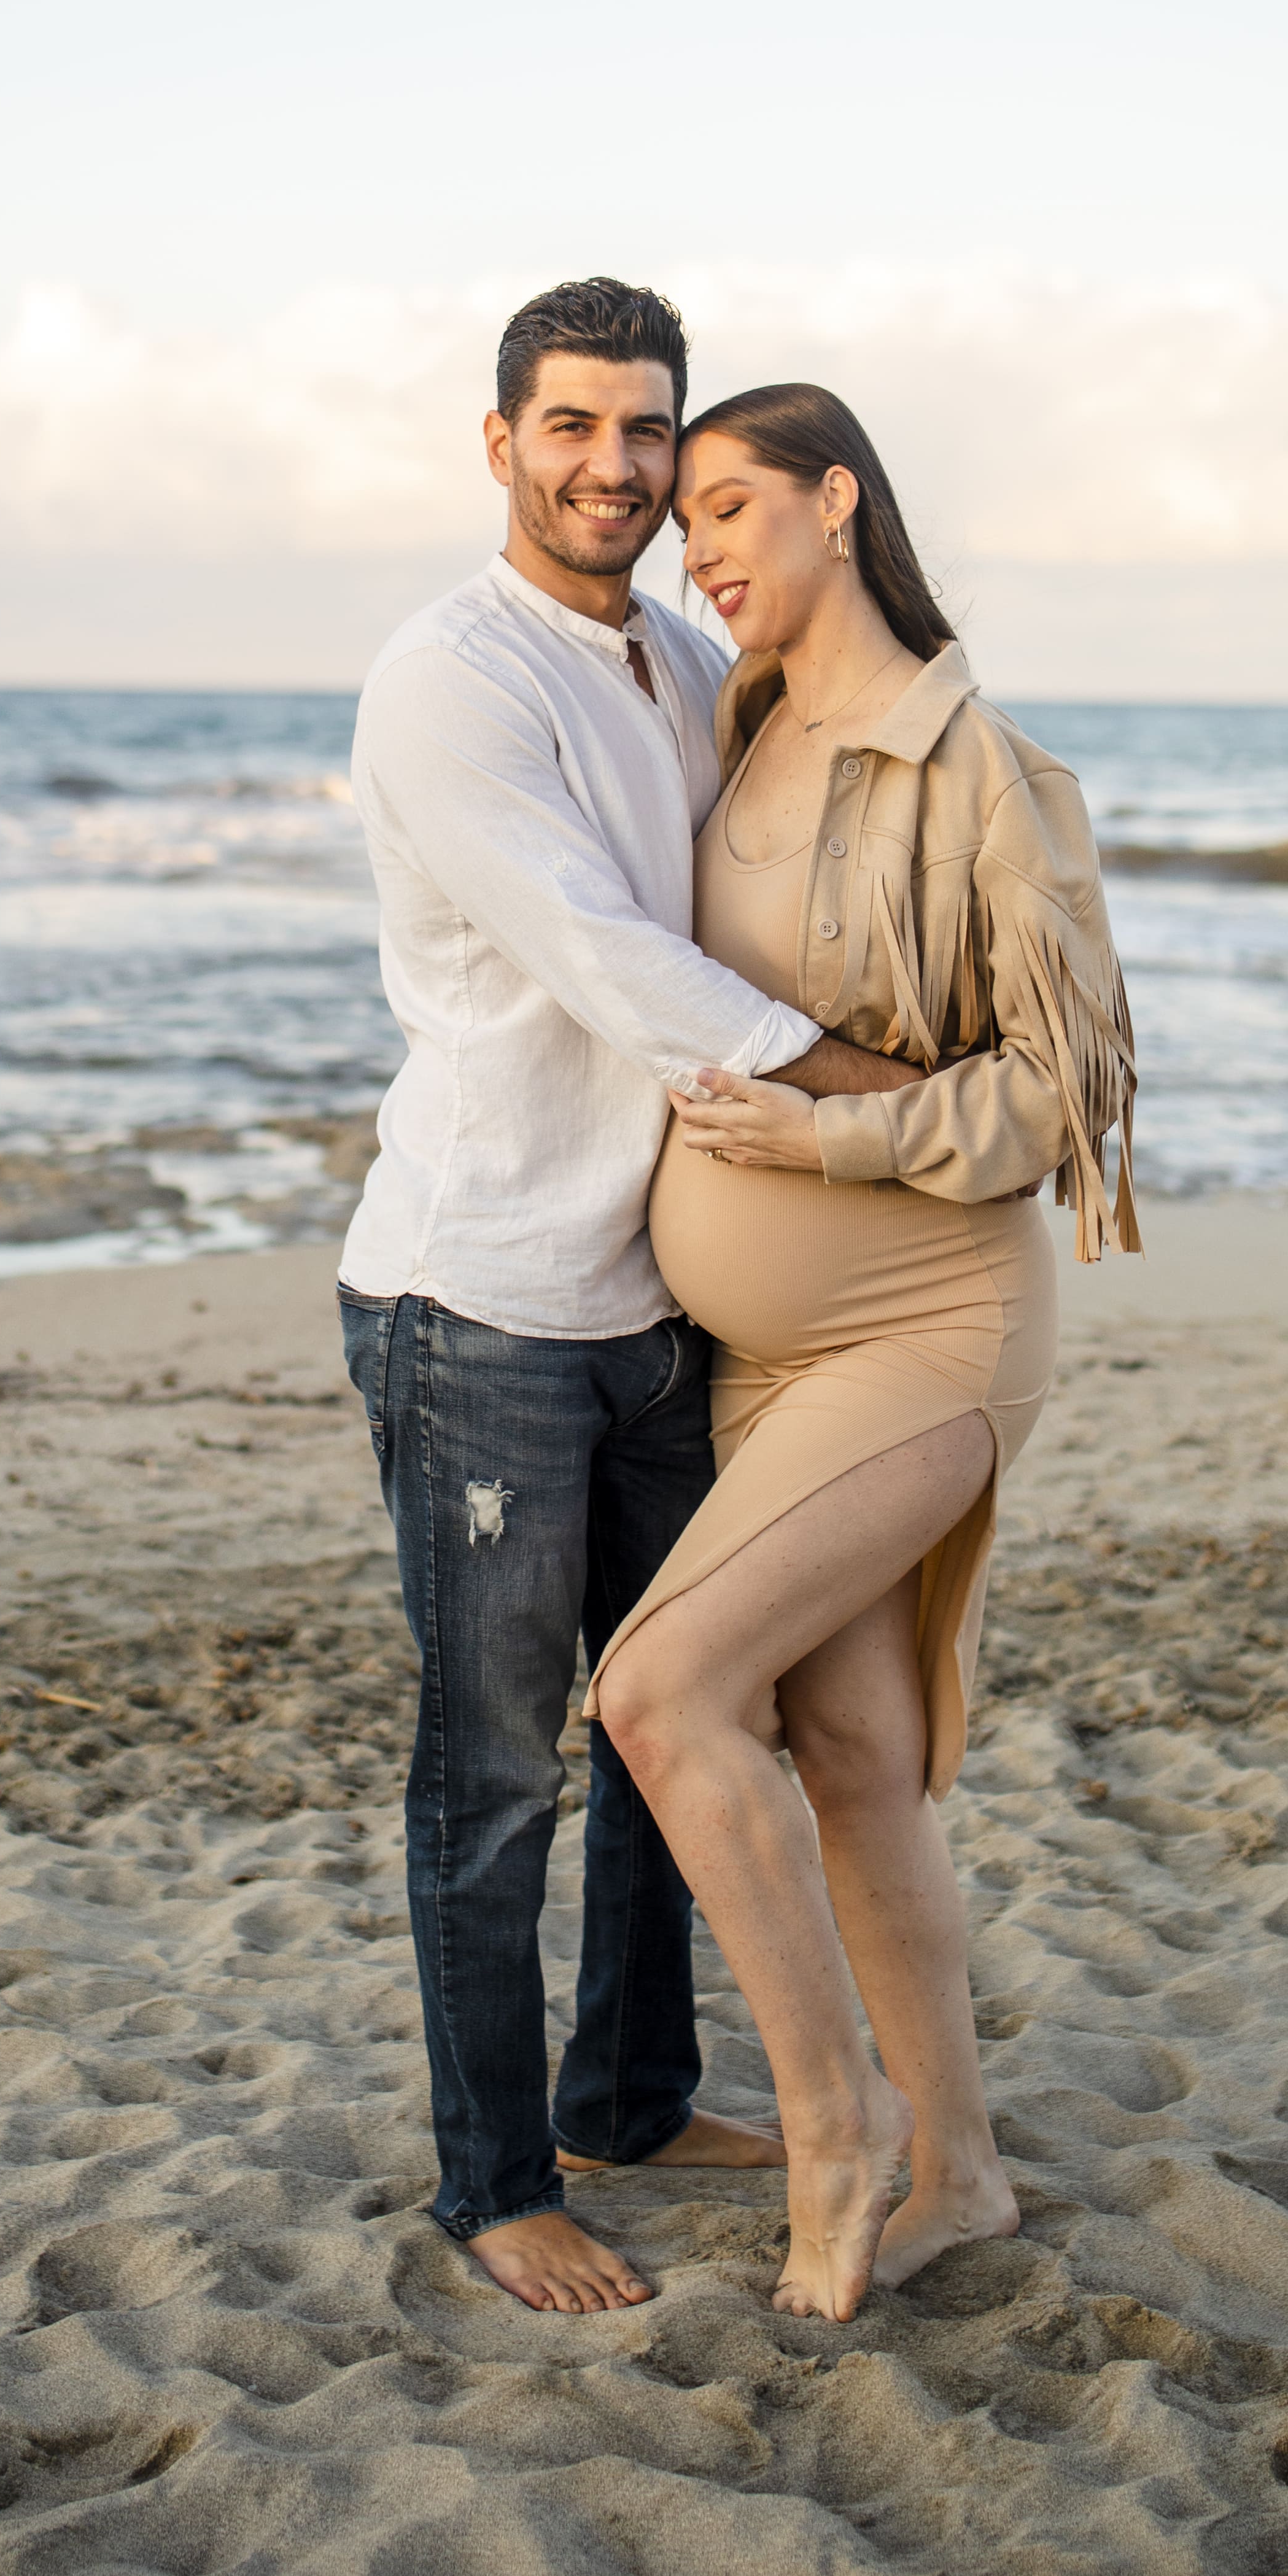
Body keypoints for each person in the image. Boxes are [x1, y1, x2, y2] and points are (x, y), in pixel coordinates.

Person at [338, 282, 929, 2316]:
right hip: (482, 1300)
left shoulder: (690, 657)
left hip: (658, 1299)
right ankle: (499, 2184)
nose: (615, 464)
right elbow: (612, 956)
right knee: (499, 1771)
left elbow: (789, 866)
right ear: (498, 441)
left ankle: (634, 2091)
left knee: (693, 1721)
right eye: (572, 424)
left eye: (647, 429)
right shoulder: (448, 681)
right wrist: (886, 1097)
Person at [586, 381, 1139, 2323]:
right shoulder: (735, 726)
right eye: (687, 527)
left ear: (842, 499)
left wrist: (831, 1140)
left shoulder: (985, 773)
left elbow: (1059, 1097)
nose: (703, 546)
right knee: (855, 1758)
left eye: (734, 504)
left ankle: (837, 2133)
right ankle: (962, 2173)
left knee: (660, 1695)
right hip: (762, 1364)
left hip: (930, 1322)